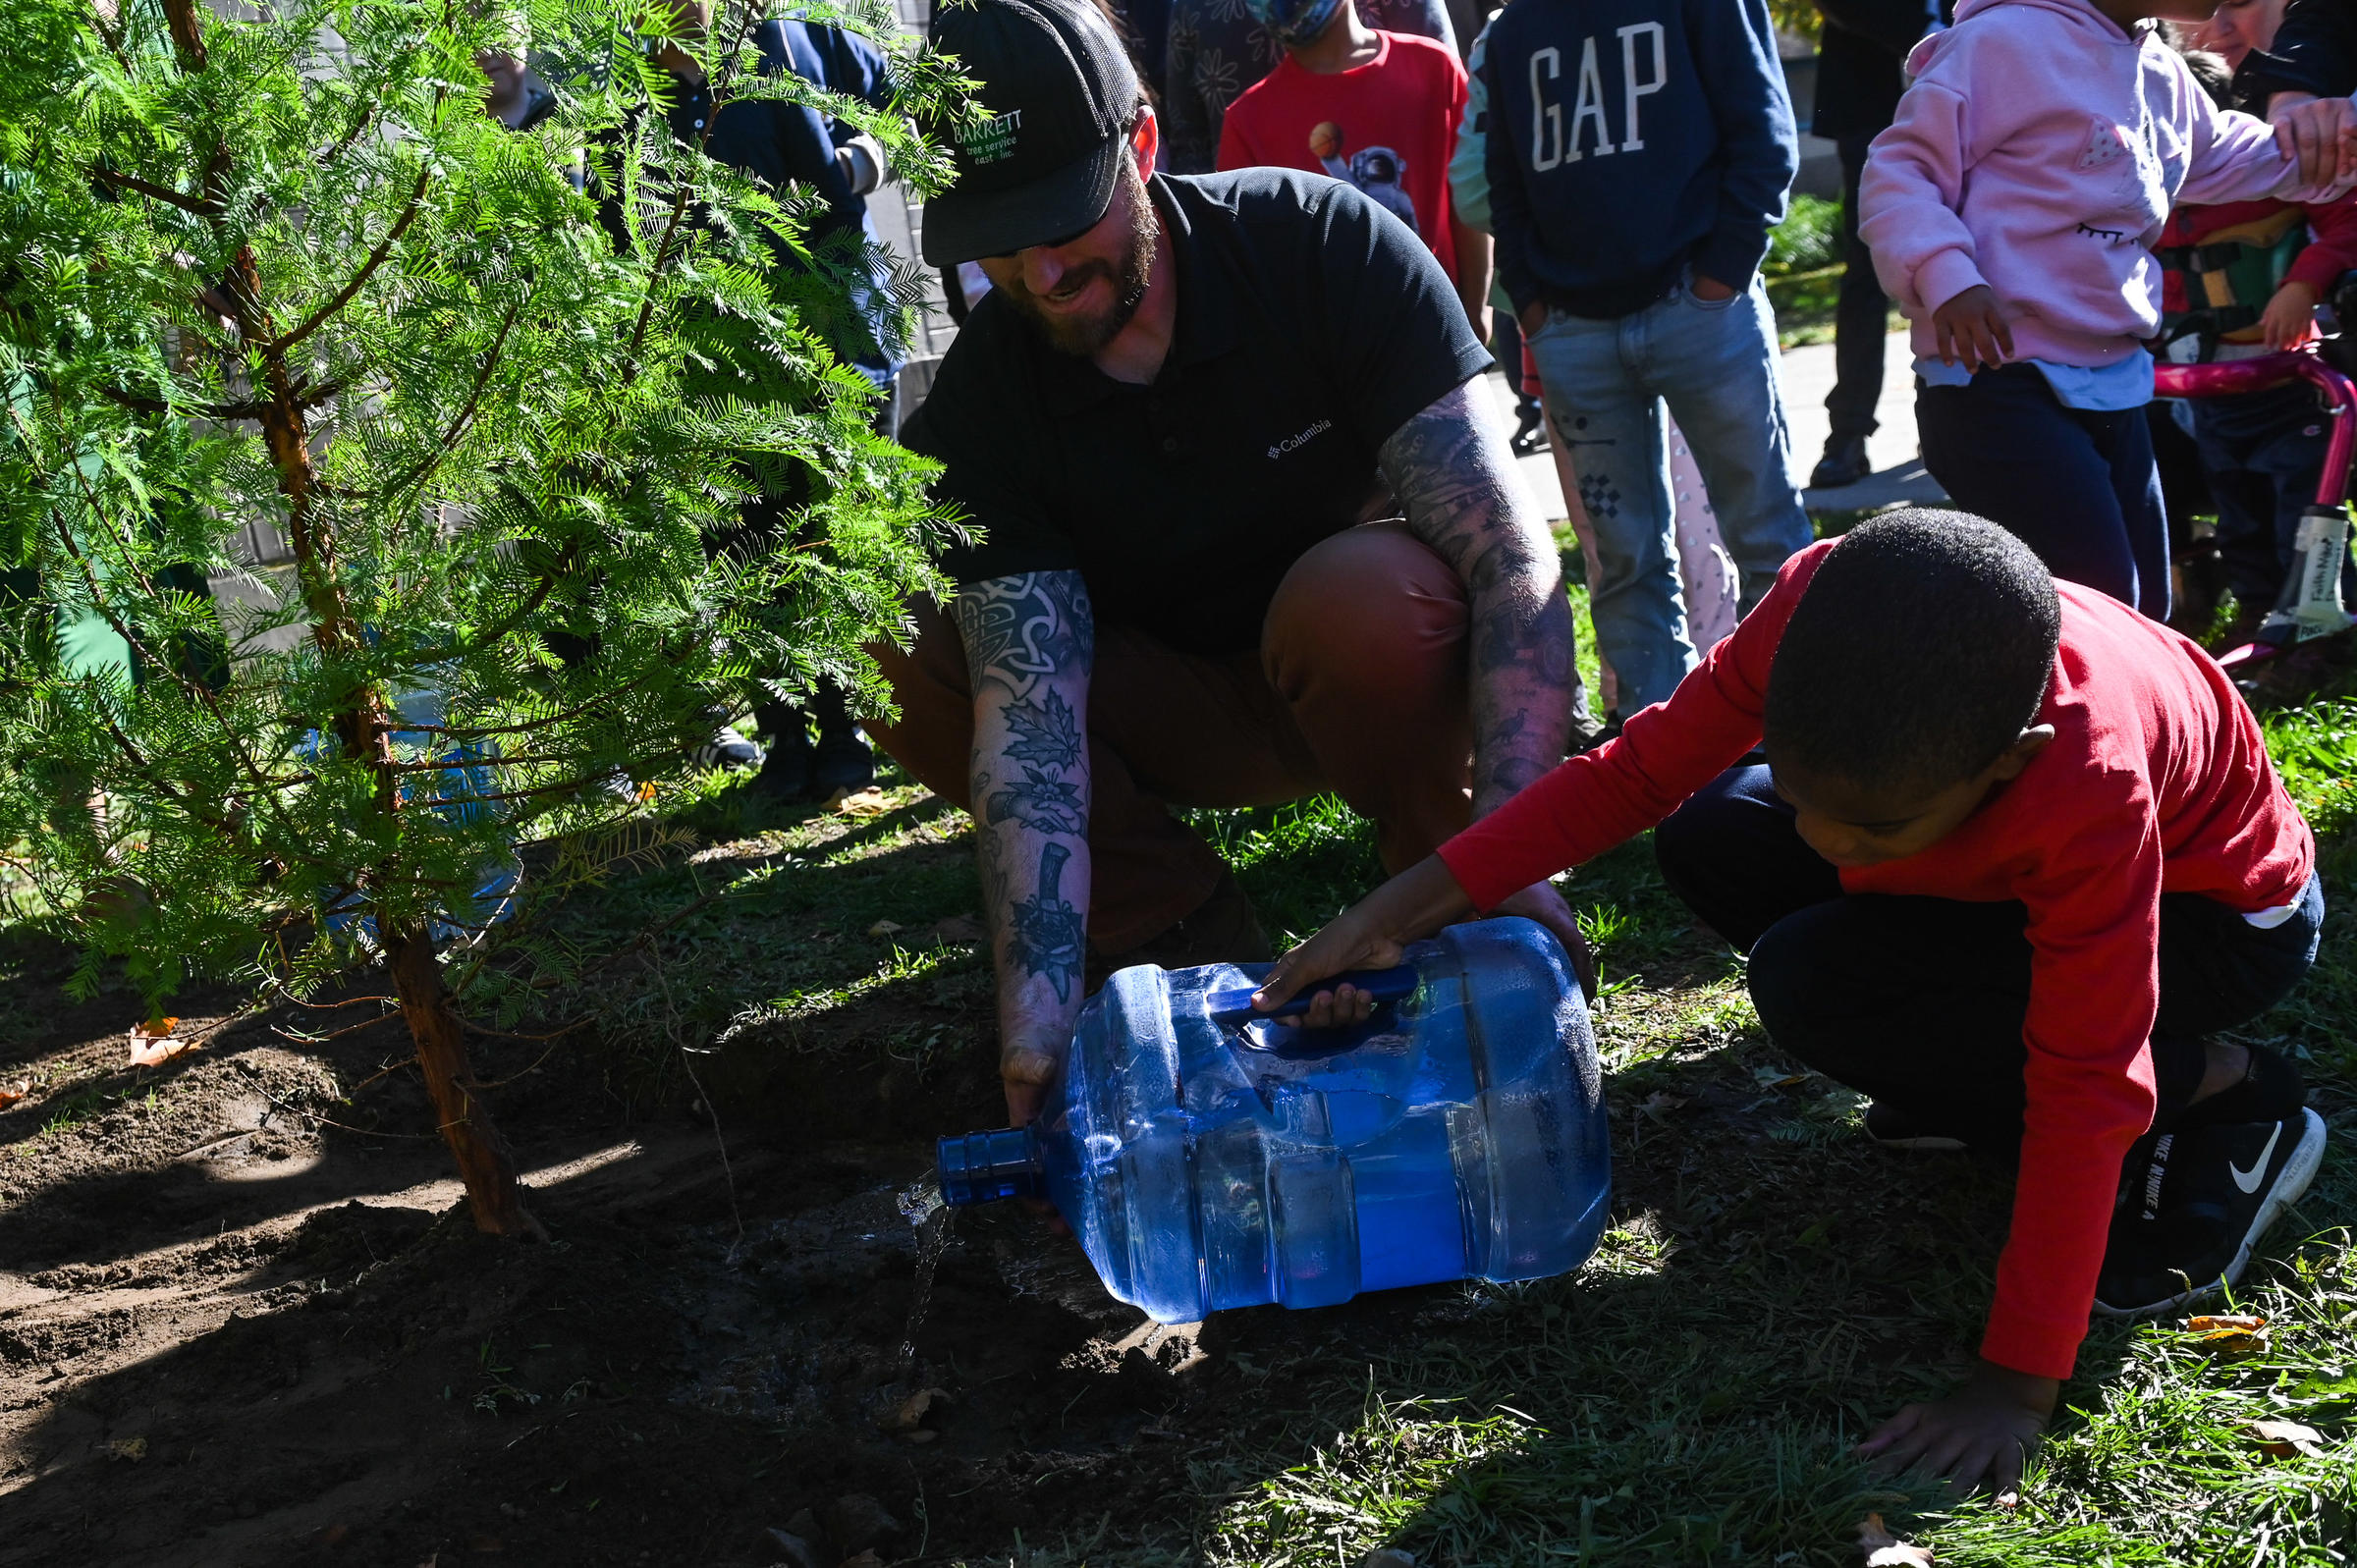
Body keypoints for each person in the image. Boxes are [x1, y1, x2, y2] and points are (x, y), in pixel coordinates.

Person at [1252, 510, 2327, 1495]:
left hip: (2216, 923)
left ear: (2010, 763)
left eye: (1871, 833)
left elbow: (2088, 1081)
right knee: (1714, 830)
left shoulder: (2089, 779)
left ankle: (2228, 1091)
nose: (1825, 845)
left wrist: (2016, 1385)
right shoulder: (1826, 599)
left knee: (1816, 983)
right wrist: (1392, 909)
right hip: (2003, 868)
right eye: (1813, 806)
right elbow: (1633, 774)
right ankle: (1956, 1060)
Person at [877, 0, 1592, 1123]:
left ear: (1145, 147)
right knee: (893, 634)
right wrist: (1036, 1032)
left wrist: (1514, 851)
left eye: (1066, 221)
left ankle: (1452, 894)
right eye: (1003, 243)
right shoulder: (987, 405)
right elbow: (1031, 730)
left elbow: (1511, 559)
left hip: (1370, 672)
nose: (1044, 272)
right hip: (1173, 707)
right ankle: (1182, 935)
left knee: (1355, 599)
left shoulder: (1319, 246)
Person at [1859, 0, 2341, 622]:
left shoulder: (2159, 69)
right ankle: (2040, 716)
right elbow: (1901, 171)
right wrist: (1947, 276)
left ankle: (2105, 717)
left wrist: (2332, 142)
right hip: (1998, 379)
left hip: (2112, 379)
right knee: (2097, 601)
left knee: (2144, 604)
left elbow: (2223, 153)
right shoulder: (2002, 42)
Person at [1480, 0, 1814, 715]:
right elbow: (1503, 180)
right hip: (1575, 336)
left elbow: (1764, 135)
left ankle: (1798, 737)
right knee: (1626, 563)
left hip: (1701, 313)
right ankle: (1661, 767)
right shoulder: (1515, 30)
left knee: (1767, 538)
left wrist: (1720, 275)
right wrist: (1535, 304)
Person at [636, 4, 899, 797]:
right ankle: (784, 735)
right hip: (711, 355)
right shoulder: (633, 90)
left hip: (828, 330)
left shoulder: (799, 41)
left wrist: (859, 164)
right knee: (739, 541)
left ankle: (853, 725)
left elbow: (906, 113)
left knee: (830, 529)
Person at [2159, 27, 2357, 639]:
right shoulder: (2149, 204)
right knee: (2237, 510)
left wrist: (2304, 284)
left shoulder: (2267, 174)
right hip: (2213, 388)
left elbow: (2347, 218)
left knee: (2303, 508)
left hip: (2290, 378)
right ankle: (2255, 611)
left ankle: (2320, 623)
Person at [1215, 0, 1487, 333]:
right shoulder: (1247, 122)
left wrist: (1475, 311)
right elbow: (1250, 268)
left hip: (1436, 326)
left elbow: (1469, 203)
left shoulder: (1434, 67)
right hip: (1330, 354)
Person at [1805, 0, 1944, 490]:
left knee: (1954, 266)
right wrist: (1929, 33)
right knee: (1866, 275)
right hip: (1871, 103)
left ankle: (1946, 421)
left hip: (1965, 95)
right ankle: (1847, 434)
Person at [1163, 0, 1455, 175]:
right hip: (1277, 238)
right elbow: (1190, 142)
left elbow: (1454, 147)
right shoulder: (1245, 119)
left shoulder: (1430, 65)